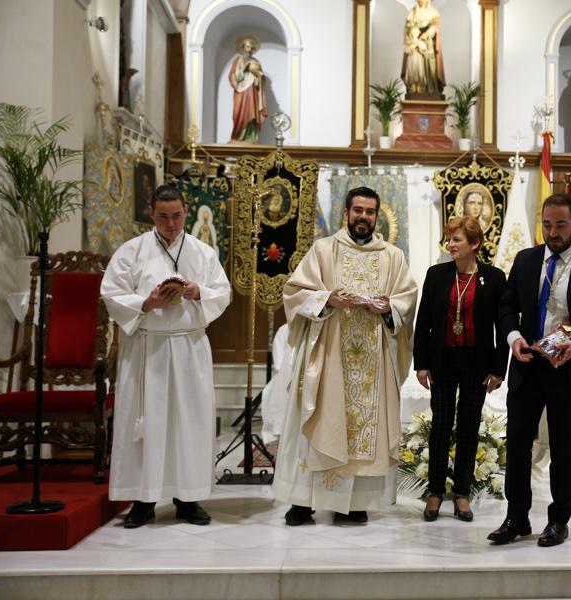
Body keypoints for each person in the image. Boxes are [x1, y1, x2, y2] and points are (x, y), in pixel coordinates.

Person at [273, 186, 418, 525]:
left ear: (376, 215)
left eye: (369, 212)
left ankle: (352, 504)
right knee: (322, 420)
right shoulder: (324, 250)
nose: (363, 217)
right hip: (329, 355)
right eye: (358, 211)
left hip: (372, 362)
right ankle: (302, 502)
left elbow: (407, 300)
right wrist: (327, 300)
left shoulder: (392, 256)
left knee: (359, 430)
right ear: (347, 213)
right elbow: (294, 292)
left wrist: (388, 308)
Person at [488, 193, 571, 547]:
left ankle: (558, 521)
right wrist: (514, 337)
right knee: (516, 445)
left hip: (567, 369)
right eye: (547, 224)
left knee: (562, 448)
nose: (553, 231)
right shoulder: (527, 260)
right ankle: (516, 517)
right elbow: (506, 306)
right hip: (528, 364)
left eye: (560, 224)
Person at [101, 184, 231, 528]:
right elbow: (111, 293)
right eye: (163, 217)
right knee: (145, 426)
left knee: (189, 424)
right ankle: (142, 502)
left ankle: (187, 498)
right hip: (147, 349)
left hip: (188, 347)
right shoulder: (132, 251)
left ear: (186, 212)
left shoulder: (203, 253)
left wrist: (196, 290)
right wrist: (146, 302)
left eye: (176, 216)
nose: (170, 224)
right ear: (151, 213)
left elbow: (223, 292)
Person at [413, 216, 508, 522]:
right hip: (442, 360)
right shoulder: (437, 274)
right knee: (441, 426)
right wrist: (422, 363)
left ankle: (462, 493)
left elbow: (502, 325)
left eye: (457, 240)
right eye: (449, 239)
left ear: (475, 244)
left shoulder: (493, 278)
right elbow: (424, 322)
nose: (450, 244)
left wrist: (498, 369)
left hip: (476, 363)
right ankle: (436, 491)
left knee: (468, 427)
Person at [401, 0, 445, 98]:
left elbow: (435, 27)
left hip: (428, 44)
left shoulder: (433, 11)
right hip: (415, 47)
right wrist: (411, 36)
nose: (421, 1)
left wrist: (427, 33)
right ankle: (415, 89)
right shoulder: (412, 12)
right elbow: (407, 29)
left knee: (430, 67)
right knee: (415, 68)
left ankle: (431, 89)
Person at [229, 36, 268, 142]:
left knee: (252, 112)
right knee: (239, 114)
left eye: (251, 48)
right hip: (241, 90)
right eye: (247, 47)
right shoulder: (237, 60)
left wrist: (259, 76)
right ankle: (237, 136)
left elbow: (261, 77)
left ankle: (251, 137)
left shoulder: (256, 61)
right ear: (243, 48)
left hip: (252, 90)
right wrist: (244, 68)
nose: (249, 50)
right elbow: (232, 76)